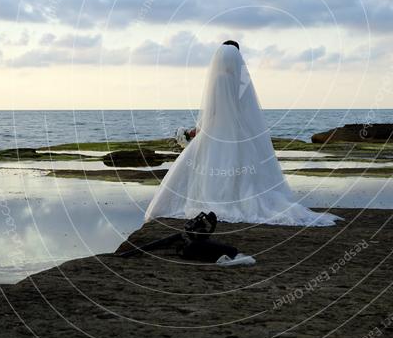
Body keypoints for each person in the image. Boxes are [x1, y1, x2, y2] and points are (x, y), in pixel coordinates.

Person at [145, 41, 340, 226]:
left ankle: (217, 200)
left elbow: (212, 111)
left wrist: (195, 131)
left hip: (216, 132)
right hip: (240, 133)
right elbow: (247, 111)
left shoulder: (218, 79)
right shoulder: (242, 80)